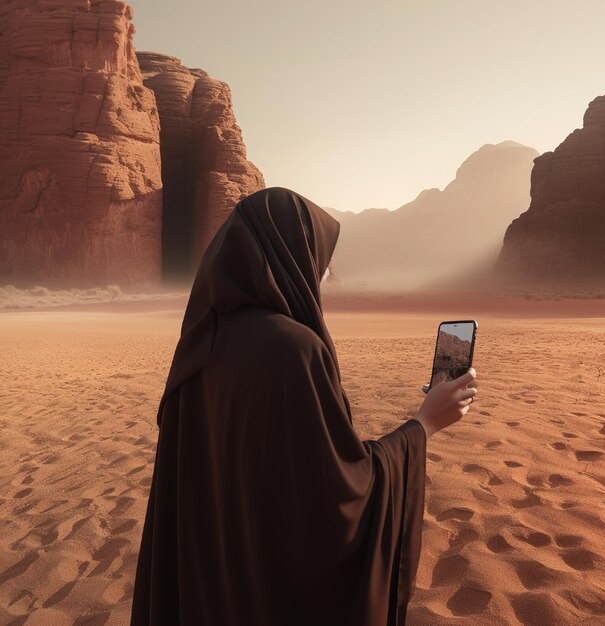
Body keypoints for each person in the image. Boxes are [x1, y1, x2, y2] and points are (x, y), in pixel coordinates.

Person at [129, 186, 477, 626]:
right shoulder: (294, 350)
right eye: (321, 262)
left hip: (207, 591)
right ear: (291, 256)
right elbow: (339, 495)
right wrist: (424, 424)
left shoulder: (198, 346)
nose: (324, 277)